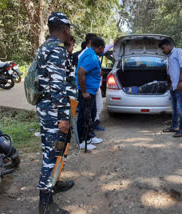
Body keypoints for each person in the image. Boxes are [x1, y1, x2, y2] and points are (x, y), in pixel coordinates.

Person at [36, 12, 75, 214]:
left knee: (56, 149)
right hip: (54, 112)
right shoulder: (56, 49)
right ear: (64, 28)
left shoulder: (46, 46)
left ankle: (54, 182)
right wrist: (63, 117)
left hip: (47, 109)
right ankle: (45, 203)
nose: (70, 32)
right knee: (52, 153)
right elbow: (57, 86)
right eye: (69, 29)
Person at [76, 37, 105, 149]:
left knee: (91, 115)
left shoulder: (91, 53)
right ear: (100, 47)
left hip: (91, 91)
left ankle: (89, 136)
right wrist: (84, 92)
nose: (103, 51)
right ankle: (82, 140)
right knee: (84, 116)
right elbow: (81, 73)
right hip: (87, 92)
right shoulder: (91, 57)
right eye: (103, 49)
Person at [159, 39, 182, 137]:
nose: (163, 51)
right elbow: (170, 71)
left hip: (181, 84)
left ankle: (181, 130)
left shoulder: (178, 51)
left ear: (168, 45)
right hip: (174, 85)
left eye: (163, 48)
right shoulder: (169, 56)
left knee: (180, 107)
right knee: (174, 107)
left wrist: (180, 81)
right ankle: (174, 126)